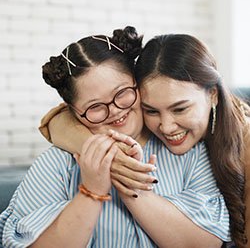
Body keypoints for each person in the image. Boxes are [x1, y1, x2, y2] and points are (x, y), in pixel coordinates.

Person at [0, 27, 230, 247]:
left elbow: (206, 242)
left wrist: (131, 186)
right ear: (73, 112)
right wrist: (92, 191)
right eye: (95, 106)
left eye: (122, 93)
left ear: (138, 84)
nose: (115, 111)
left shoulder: (191, 153)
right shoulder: (57, 164)